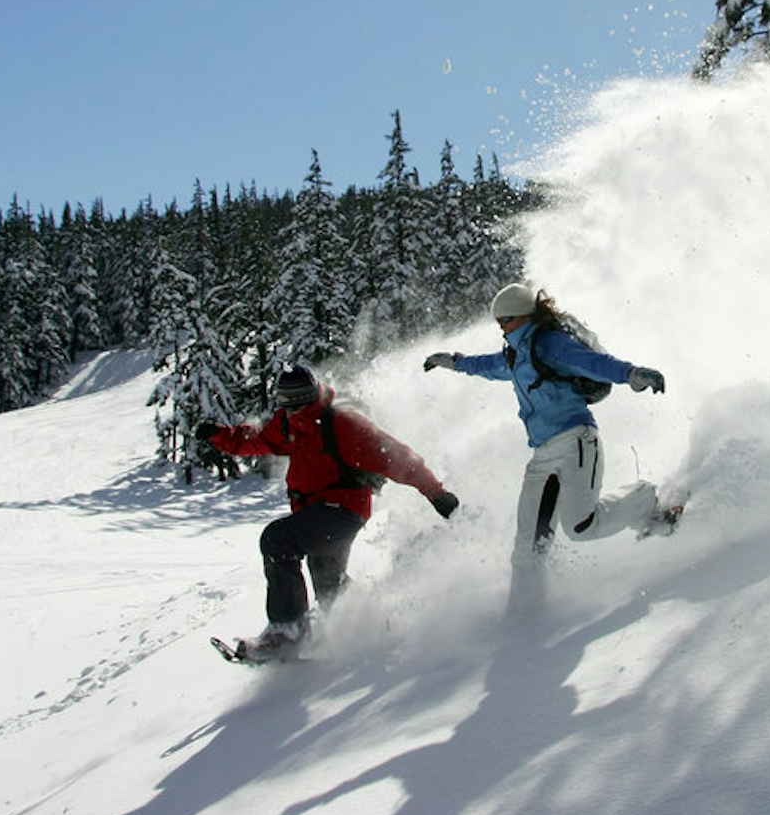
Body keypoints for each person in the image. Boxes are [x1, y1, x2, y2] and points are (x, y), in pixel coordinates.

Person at [423, 283, 675, 618]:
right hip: (542, 455)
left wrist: (630, 374)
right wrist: (454, 362)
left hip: (575, 441)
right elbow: (486, 365)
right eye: (499, 321)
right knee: (528, 546)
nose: (503, 327)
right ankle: (524, 618)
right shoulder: (515, 356)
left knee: (582, 526)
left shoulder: (549, 343)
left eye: (508, 319)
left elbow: (592, 363)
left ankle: (646, 497)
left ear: (526, 315)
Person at [197, 364, 459, 661]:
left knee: (277, 540)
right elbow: (259, 440)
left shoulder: (344, 424)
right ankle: (371, 627)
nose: (293, 410)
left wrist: (436, 493)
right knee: (328, 583)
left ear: (313, 396)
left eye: (298, 403)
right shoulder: (288, 423)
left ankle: (287, 633)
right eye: (286, 403)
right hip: (315, 513)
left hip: (343, 512)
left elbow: (397, 457)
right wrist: (221, 436)